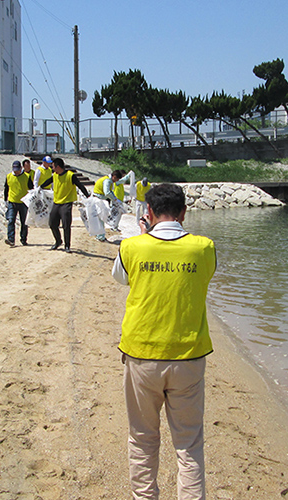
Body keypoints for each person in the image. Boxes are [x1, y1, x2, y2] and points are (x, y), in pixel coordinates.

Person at [111, 183, 217, 500]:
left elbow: (121, 277)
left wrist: (144, 235)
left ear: (149, 213)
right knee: (188, 441)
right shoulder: (203, 247)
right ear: (184, 213)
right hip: (189, 354)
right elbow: (206, 274)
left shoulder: (133, 246)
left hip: (142, 353)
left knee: (143, 437)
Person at [39, 157, 90, 253]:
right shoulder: (55, 175)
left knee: (66, 225)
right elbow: (47, 182)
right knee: (52, 223)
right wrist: (39, 188)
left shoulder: (70, 175)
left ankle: (67, 246)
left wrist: (87, 196)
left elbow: (80, 185)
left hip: (66, 203)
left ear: (58, 166)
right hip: (56, 202)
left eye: (53, 166)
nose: (52, 168)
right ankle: (58, 241)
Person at [3, 160, 33, 246]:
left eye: (17, 170)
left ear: (21, 168)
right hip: (12, 202)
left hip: (24, 203)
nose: (16, 172)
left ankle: (23, 239)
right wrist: (5, 200)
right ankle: (11, 239)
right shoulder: (9, 176)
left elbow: (31, 189)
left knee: (24, 222)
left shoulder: (27, 177)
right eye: (14, 170)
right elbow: (6, 188)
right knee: (11, 220)